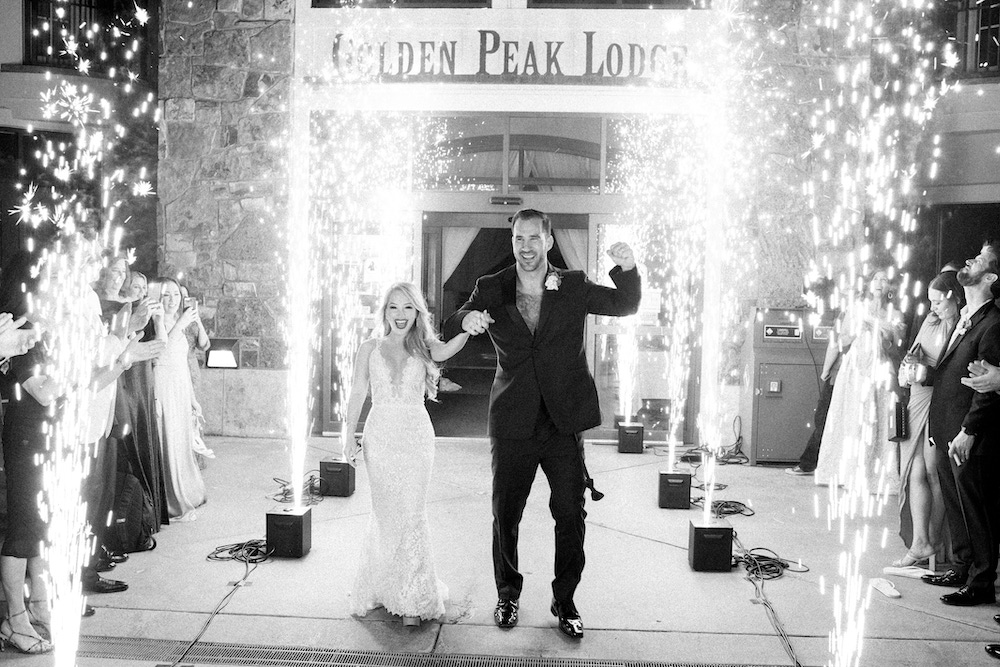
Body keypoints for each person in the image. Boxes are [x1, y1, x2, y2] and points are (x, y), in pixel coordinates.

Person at [445, 208, 641, 639]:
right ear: (512, 241)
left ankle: (565, 598)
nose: (527, 246)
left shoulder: (570, 285)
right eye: (519, 239)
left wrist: (627, 268)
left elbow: (623, 304)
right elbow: (450, 320)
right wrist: (467, 319)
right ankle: (507, 593)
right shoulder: (491, 287)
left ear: (549, 240)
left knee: (570, 513)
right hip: (513, 420)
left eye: (535, 238)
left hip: (562, 422)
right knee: (506, 513)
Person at [340, 282, 470, 627]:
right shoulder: (369, 348)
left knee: (412, 512)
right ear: (384, 312)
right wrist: (347, 436)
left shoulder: (425, 347)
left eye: (407, 308)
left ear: (417, 312)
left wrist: (469, 330)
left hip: (416, 437)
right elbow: (357, 393)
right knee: (386, 513)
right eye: (393, 308)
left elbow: (449, 349)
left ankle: (413, 598)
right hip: (379, 437)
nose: (400, 315)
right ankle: (388, 586)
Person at [921, 243, 1000, 608]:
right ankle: (963, 564)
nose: (969, 260)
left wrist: (968, 431)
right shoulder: (966, 316)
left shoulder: (993, 324)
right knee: (955, 503)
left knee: (976, 509)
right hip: (947, 427)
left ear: (991, 277)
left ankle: (981, 581)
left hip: (971, 435)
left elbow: (987, 388)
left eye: (980, 260)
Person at [892, 271, 963, 567]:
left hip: (942, 402)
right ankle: (919, 542)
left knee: (936, 472)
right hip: (918, 399)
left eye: (938, 302)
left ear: (954, 298)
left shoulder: (962, 326)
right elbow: (914, 354)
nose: (933, 307)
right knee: (914, 470)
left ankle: (934, 541)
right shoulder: (930, 321)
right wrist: (906, 372)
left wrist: (928, 374)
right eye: (930, 301)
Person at [814, 267, 905, 496]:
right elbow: (842, 340)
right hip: (857, 367)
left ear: (890, 288)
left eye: (884, 280)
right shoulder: (856, 309)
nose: (879, 283)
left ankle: (875, 475)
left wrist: (884, 335)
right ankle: (849, 472)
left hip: (881, 370)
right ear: (868, 284)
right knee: (855, 417)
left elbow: (896, 350)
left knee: (879, 419)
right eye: (875, 278)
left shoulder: (895, 315)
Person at [152, 278, 207, 521]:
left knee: (182, 437)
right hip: (163, 384)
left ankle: (187, 488)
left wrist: (193, 398)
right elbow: (162, 349)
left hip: (181, 384)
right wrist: (181, 323)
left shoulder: (178, 320)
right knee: (169, 438)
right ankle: (170, 497)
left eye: (176, 294)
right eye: (167, 295)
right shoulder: (157, 320)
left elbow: (184, 363)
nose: (173, 300)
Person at [786, 309, 843, 476]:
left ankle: (808, 464)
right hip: (861, 375)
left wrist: (825, 371)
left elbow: (835, 344)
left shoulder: (848, 313)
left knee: (823, 418)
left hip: (838, 373)